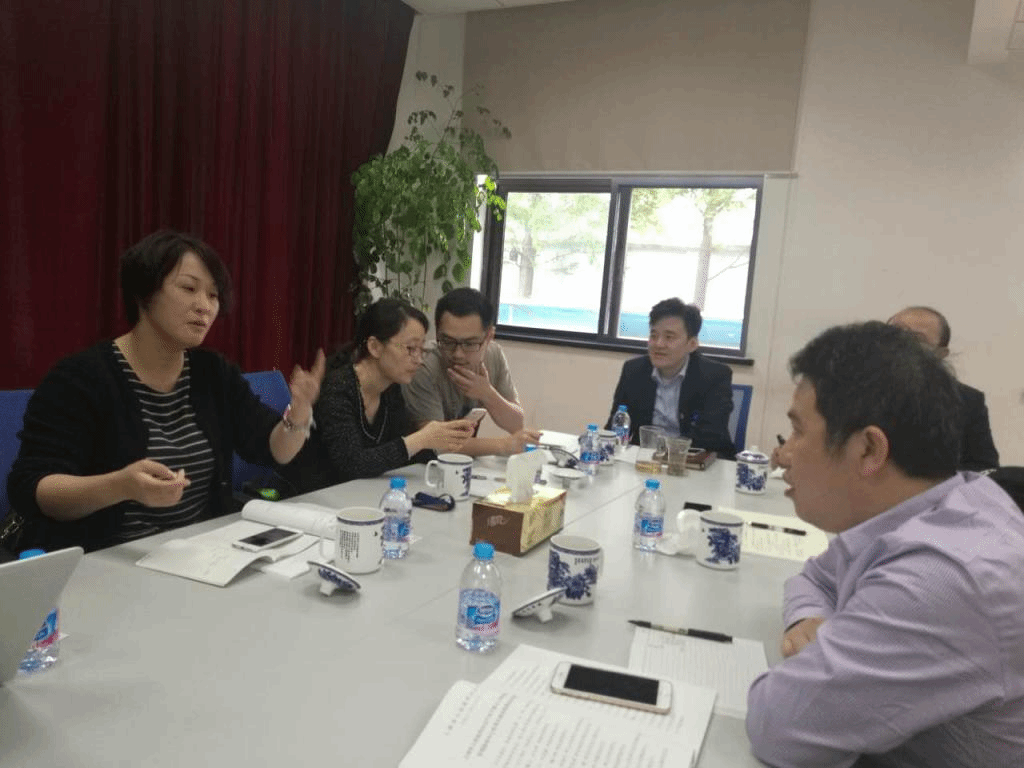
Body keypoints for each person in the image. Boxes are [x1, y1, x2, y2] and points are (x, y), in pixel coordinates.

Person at [746, 321, 1024, 767]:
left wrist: (828, 651)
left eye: (798, 431)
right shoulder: (937, 505)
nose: (786, 454)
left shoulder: (941, 578)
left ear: (870, 450)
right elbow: (814, 577)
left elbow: (778, 726)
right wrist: (812, 619)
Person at [7, 230, 325, 552]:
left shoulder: (213, 372)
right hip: (106, 558)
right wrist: (121, 486)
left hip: (197, 554)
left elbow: (273, 449)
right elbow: (32, 488)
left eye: (213, 295)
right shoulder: (79, 379)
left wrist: (299, 414)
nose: (204, 307)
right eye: (188, 288)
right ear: (144, 293)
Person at [280, 298, 476, 494]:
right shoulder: (338, 387)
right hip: (310, 498)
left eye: (422, 350)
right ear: (375, 347)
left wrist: (441, 440)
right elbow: (352, 464)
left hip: (358, 494)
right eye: (410, 349)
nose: (419, 360)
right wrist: (422, 439)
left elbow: (400, 452)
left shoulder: (390, 389)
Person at [403, 287, 540, 456]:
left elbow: (516, 424)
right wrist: (504, 445)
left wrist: (487, 394)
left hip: (464, 463)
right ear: (437, 333)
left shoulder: (493, 355)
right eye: (448, 341)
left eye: (469, 344)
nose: (458, 354)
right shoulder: (424, 367)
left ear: (489, 336)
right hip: (422, 465)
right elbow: (436, 444)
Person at [605, 298, 735, 458]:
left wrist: (668, 453)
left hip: (694, 461)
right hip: (645, 461)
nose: (658, 344)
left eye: (669, 337)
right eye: (654, 336)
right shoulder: (634, 371)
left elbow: (711, 437)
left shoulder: (714, 376)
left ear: (692, 344)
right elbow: (616, 425)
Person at [888, 305, 999, 471]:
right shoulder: (853, 387)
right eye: (894, 332)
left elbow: (983, 468)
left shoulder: (967, 401)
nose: (900, 342)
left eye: (916, 339)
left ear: (940, 354)